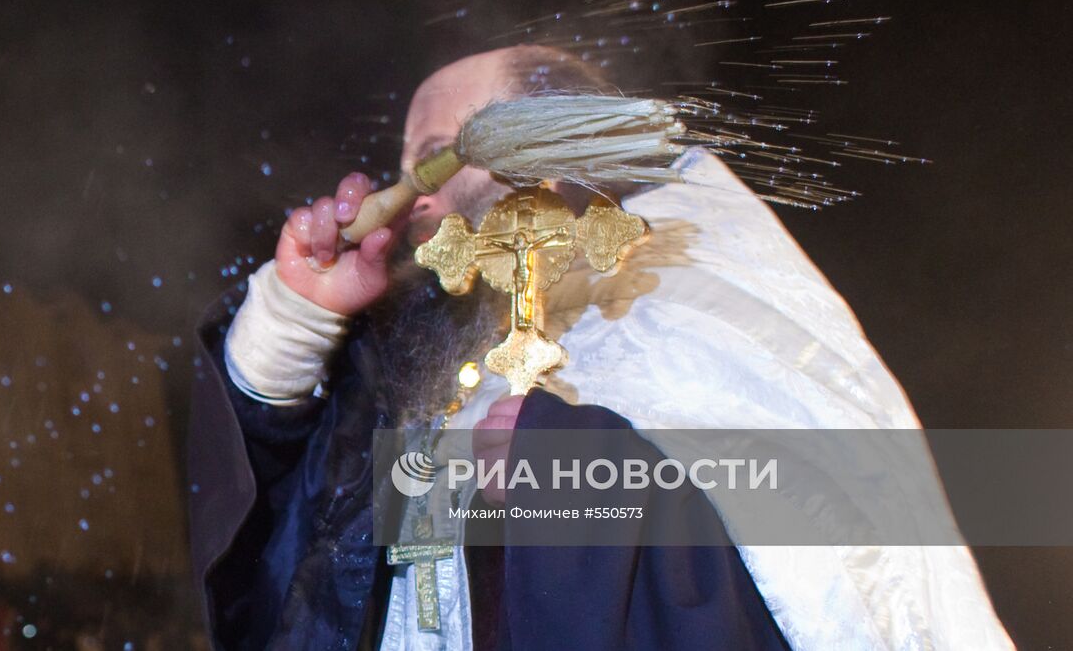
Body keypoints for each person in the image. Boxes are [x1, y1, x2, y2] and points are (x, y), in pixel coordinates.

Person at [188, 45, 1013, 650]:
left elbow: (814, 580)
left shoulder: (685, 293)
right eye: (405, 161)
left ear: (550, 150)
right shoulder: (431, 360)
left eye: (437, 149)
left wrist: (568, 473)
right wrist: (295, 326)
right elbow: (308, 587)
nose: (410, 193)